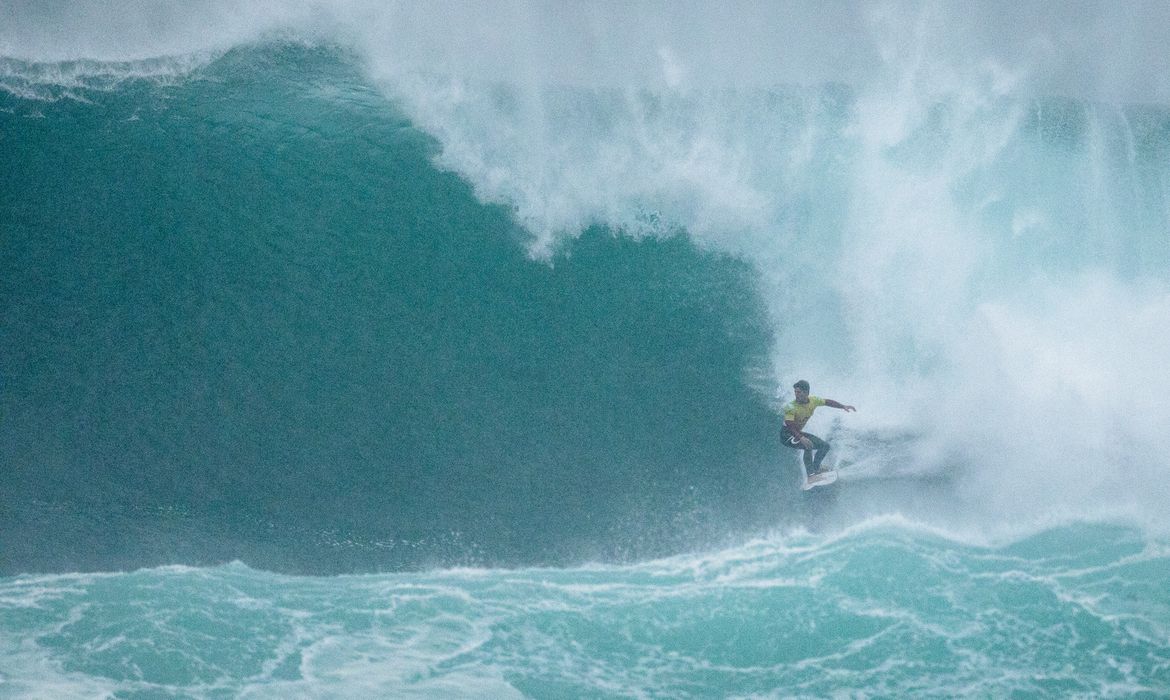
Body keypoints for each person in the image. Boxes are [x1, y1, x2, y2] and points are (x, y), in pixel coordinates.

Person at [781, 379, 855, 477]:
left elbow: (827, 402)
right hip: (787, 435)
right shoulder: (790, 407)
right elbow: (789, 425)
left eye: (799, 392)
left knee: (825, 446)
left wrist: (843, 406)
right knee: (808, 444)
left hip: (797, 433)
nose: (796, 394)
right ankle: (811, 475)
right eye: (795, 392)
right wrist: (801, 438)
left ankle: (816, 468)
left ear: (806, 392)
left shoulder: (813, 401)